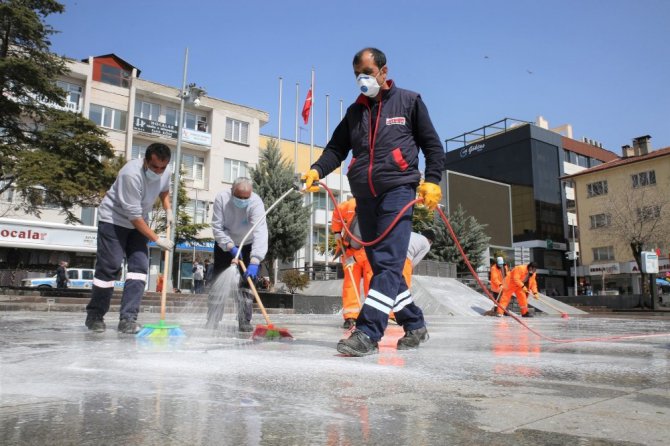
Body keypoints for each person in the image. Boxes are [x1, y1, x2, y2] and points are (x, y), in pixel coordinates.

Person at [302, 47, 446, 356]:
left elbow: (433, 146)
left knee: (390, 264)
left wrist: (433, 180)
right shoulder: (356, 112)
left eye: (367, 73)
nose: (362, 80)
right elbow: (336, 149)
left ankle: (368, 332)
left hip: (398, 191)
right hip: (365, 197)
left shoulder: (409, 102)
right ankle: (415, 324)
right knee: (382, 266)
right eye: (357, 75)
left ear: (383, 71)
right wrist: (317, 170)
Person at [85, 143, 174, 333]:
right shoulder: (130, 174)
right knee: (110, 268)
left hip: (139, 222)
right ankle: (95, 316)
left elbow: (164, 189)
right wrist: (157, 239)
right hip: (114, 221)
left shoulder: (165, 171)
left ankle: (128, 319)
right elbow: (133, 216)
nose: (158, 171)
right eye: (154, 167)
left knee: (139, 269)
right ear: (145, 160)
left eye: (162, 167)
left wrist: (168, 208)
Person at [206, 177, 268, 332]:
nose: (242, 200)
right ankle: (213, 318)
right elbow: (217, 227)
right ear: (232, 191)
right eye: (239, 197)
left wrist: (255, 260)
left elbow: (260, 231)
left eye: (245, 198)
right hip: (225, 245)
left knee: (247, 284)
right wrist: (229, 246)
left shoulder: (256, 203)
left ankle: (244, 320)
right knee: (218, 281)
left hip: (248, 245)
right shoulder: (222, 198)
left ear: (251, 194)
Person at [331, 196, 373, 330]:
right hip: (350, 249)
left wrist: (355, 259)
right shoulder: (350, 205)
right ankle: (351, 316)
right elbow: (337, 213)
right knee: (351, 283)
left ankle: (372, 315)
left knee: (371, 283)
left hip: (369, 253)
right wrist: (337, 231)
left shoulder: (378, 211)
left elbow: (374, 244)